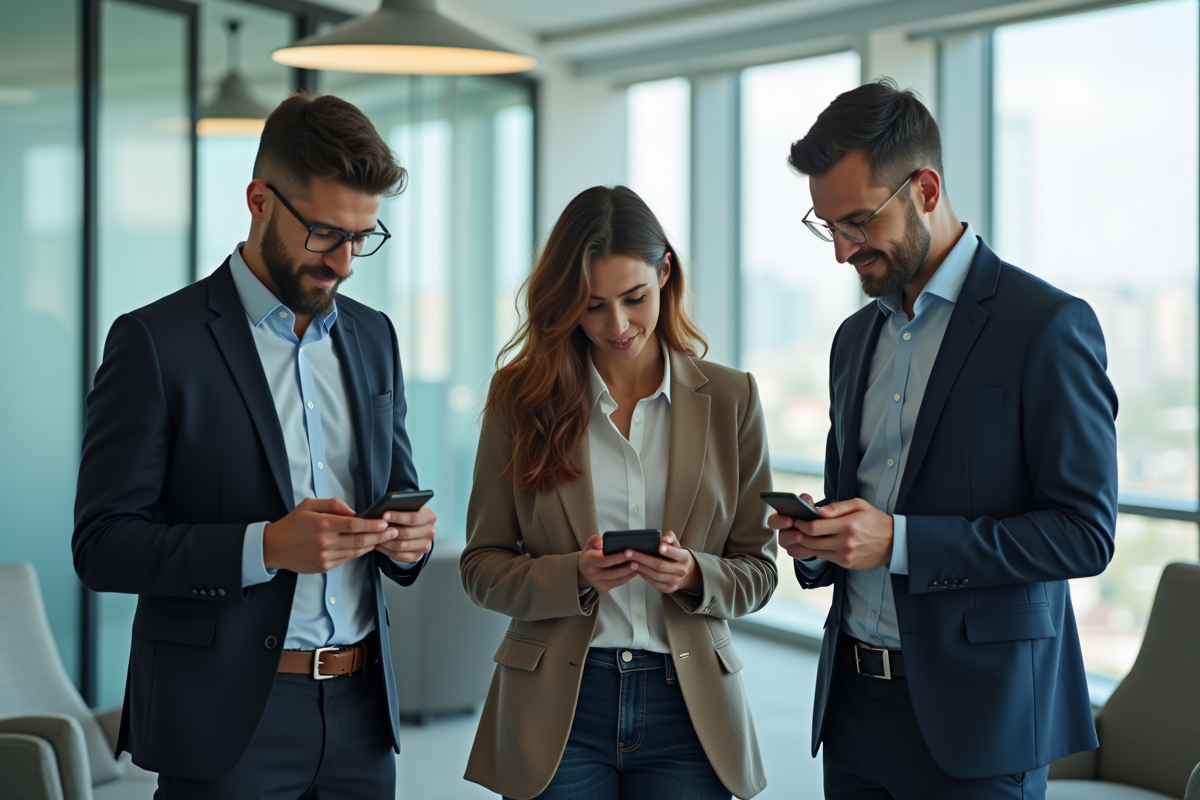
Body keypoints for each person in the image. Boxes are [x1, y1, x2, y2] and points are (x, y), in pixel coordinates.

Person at [72, 93, 437, 799]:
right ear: (259, 200)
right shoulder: (155, 342)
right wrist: (265, 547)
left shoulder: (374, 336)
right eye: (326, 232)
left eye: (363, 237)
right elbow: (103, 544)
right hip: (228, 717)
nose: (346, 263)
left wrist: (409, 539)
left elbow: (398, 489)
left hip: (363, 713)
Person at [772, 79, 1118, 800]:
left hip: (981, 722)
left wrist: (899, 542)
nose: (841, 252)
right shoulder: (851, 340)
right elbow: (860, 507)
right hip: (853, 707)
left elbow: (1084, 534)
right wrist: (821, 543)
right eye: (827, 226)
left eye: (858, 223)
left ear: (926, 188)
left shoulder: (1046, 326)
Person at [459, 186, 777, 800]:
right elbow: (481, 567)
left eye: (634, 299)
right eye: (592, 305)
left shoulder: (732, 399)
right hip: (558, 706)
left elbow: (759, 572)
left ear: (665, 272)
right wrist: (574, 575)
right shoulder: (519, 398)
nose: (617, 325)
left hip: (688, 708)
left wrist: (693, 575)